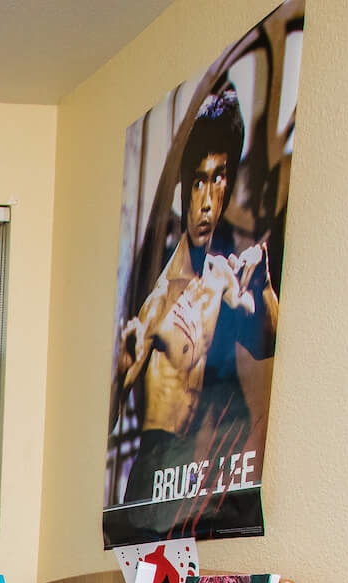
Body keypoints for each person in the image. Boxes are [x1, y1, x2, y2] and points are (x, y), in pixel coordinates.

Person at [113, 86, 278, 535]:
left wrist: (260, 299)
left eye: (219, 177)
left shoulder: (236, 275)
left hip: (199, 508)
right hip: (146, 504)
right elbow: (115, 407)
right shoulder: (159, 297)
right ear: (185, 184)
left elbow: (271, 347)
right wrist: (125, 368)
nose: (206, 200)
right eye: (199, 180)